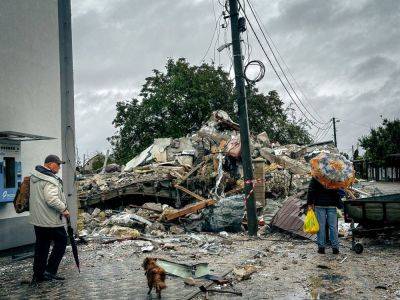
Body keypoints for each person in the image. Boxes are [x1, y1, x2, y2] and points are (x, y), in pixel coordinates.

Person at [29, 155, 70, 283]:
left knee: (42, 246)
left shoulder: (35, 177)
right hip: (50, 220)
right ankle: (50, 271)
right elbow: (51, 199)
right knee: (62, 241)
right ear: (50, 164)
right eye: (58, 165)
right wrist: (64, 209)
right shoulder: (50, 180)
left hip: (38, 219)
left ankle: (39, 274)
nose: (59, 167)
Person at [307, 177, 341, 254]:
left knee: (321, 226)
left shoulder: (317, 175)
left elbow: (311, 190)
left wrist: (309, 203)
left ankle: (321, 248)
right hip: (331, 204)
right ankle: (335, 248)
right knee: (333, 226)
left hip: (319, 204)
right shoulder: (333, 175)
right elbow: (337, 190)